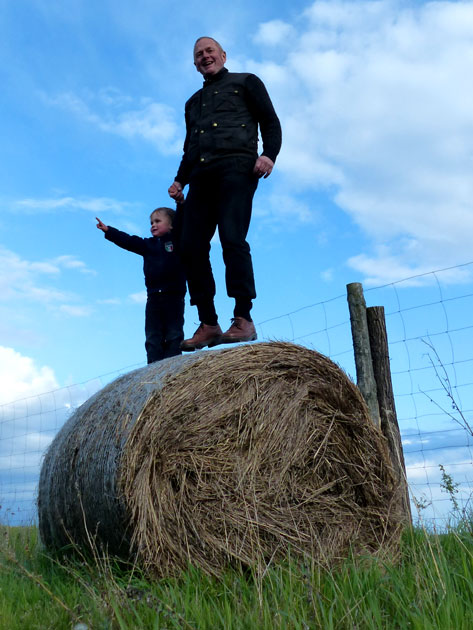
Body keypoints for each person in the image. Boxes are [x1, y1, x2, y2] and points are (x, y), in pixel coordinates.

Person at [168, 36, 282, 352]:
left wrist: (269, 154)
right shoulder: (192, 104)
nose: (205, 57)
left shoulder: (247, 82)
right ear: (194, 64)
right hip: (201, 176)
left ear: (222, 54)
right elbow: (190, 148)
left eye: (209, 51)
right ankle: (208, 323)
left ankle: (243, 318)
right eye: (199, 55)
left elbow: (271, 121)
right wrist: (180, 181)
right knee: (189, 245)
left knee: (232, 239)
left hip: (238, 168)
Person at [96, 208, 186, 363]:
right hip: (153, 298)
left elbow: (185, 224)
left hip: (174, 296)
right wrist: (109, 231)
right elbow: (129, 241)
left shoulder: (177, 241)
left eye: (158, 221)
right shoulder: (147, 245)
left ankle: (173, 369)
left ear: (172, 225)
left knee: (174, 334)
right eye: (151, 222)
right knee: (152, 336)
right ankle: (152, 370)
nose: (153, 225)